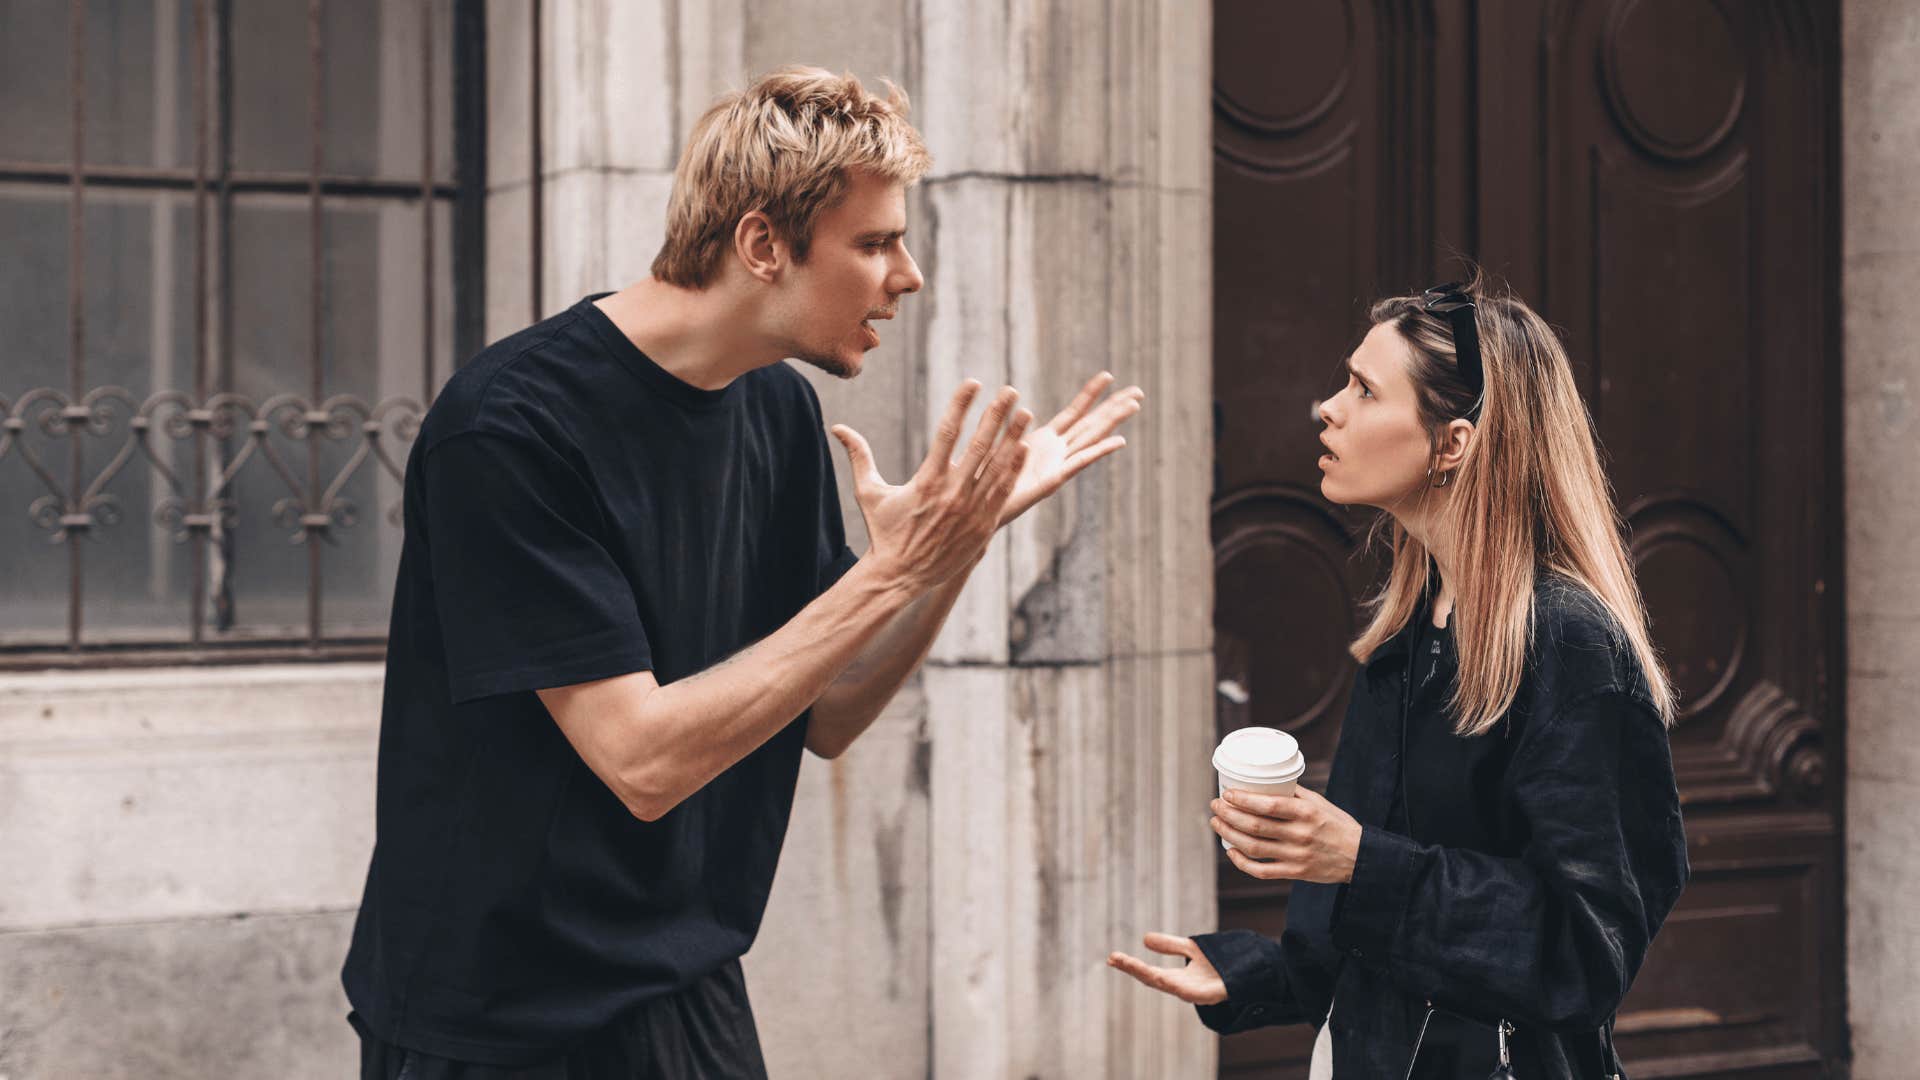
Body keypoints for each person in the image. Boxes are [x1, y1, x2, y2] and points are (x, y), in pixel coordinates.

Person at [341, 66, 1143, 1079]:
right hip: (497, 1016)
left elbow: (831, 711)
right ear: (764, 244)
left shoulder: (777, 411)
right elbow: (641, 762)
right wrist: (895, 573)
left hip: (685, 983)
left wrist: (958, 540)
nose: (909, 276)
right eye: (875, 242)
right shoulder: (508, 428)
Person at [1109, 277, 1688, 1078]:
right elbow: (1362, 927)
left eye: (1363, 390)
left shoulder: (1570, 645)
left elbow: (1588, 954)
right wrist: (1258, 975)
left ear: (1452, 444)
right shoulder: (1411, 635)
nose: (1328, 408)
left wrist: (1361, 860)